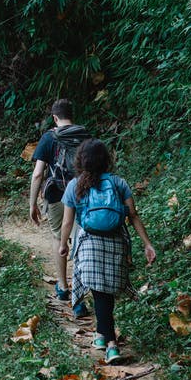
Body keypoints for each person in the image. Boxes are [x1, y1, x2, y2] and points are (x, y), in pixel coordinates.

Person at [59, 138, 156, 364]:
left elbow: (66, 222)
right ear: (106, 160)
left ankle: (111, 344)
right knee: (107, 290)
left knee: (99, 290)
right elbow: (133, 215)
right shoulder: (118, 183)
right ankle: (102, 335)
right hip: (115, 241)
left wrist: (63, 244)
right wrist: (147, 244)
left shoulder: (75, 185)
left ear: (81, 161)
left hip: (90, 241)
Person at [29, 98, 90, 316]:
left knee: (59, 238)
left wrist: (32, 203)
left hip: (56, 195)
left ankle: (63, 288)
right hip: (82, 194)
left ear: (55, 117)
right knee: (80, 242)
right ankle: (79, 297)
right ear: (72, 115)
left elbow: (38, 173)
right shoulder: (86, 136)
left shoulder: (50, 137)